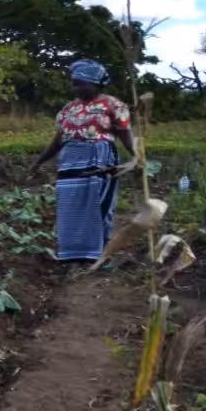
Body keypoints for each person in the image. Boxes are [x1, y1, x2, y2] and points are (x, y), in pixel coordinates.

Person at [30, 60, 135, 262]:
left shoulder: (114, 105)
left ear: (96, 83)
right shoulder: (69, 109)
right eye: (74, 83)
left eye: (80, 83)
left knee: (99, 207)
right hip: (70, 163)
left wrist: (137, 156)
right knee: (70, 207)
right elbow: (59, 140)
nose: (76, 88)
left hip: (100, 161)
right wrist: (39, 161)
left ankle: (101, 253)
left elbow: (125, 134)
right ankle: (73, 253)